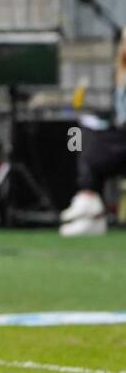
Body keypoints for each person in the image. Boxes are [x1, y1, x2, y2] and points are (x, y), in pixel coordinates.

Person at [60, 30, 126, 236]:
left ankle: (88, 200)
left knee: (90, 148)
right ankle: (89, 206)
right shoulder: (119, 75)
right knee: (80, 135)